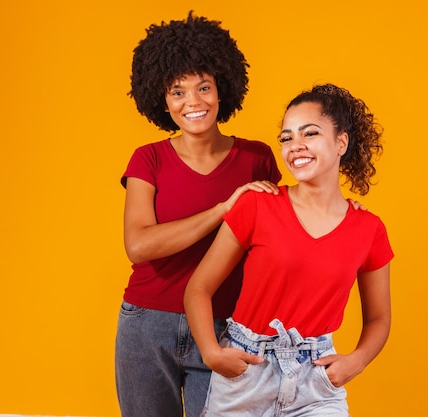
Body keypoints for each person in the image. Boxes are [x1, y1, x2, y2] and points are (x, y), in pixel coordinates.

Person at [184, 83, 394, 416]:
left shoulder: (369, 229)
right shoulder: (257, 206)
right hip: (246, 373)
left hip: (315, 380)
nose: (295, 146)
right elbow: (199, 287)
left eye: (309, 134)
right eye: (286, 138)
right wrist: (211, 353)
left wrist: (357, 361)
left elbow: (380, 317)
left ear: (341, 142)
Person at [115, 12, 282, 417]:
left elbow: (285, 231)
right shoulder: (148, 159)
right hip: (146, 325)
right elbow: (139, 246)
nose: (193, 102)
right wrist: (224, 209)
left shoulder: (256, 158)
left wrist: (346, 208)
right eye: (178, 92)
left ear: (222, 88)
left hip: (226, 326)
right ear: (161, 99)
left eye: (203, 87)